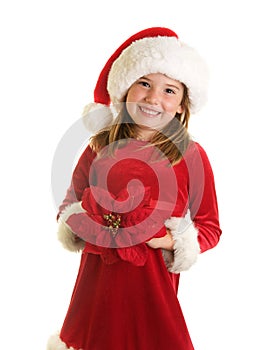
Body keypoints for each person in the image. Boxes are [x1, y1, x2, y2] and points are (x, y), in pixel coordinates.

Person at [47, 27, 222, 350]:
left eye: (169, 90)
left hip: (154, 293)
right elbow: (70, 203)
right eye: (144, 84)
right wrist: (85, 225)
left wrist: (172, 239)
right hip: (97, 290)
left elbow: (210, 226)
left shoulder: (191, 157)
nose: (154, 98)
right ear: (126, 90)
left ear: (183, 105)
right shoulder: (99, 148)